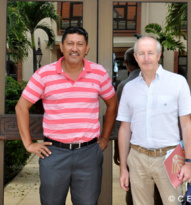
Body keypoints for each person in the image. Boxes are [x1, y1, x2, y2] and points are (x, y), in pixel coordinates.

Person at [15, 26, 118, 205]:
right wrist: (28, 144)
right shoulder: (44, 74)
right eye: (70, 43)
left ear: (87, 48)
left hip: (88, 153)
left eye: (80, 44)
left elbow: (112, 103)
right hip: (54, 153)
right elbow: (21, 107)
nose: (75, 48)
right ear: (61, 47)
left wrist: (105, 138)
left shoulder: (99, 73)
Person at [117, 37, 191, 205]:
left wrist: (188, 163)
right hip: (137, 158)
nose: (146, 58)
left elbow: (187, 124)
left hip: (169, 158)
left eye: (150, 53)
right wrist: (123, 167)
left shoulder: (177, 82)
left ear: (158, 55)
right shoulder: (129, 88)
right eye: (141, 54)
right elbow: (124, 128)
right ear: (136, 58)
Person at [113, 47, 140, 205]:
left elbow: (120, 121)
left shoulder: (124, 86)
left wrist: (118, 150)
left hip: (133, 148)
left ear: (126, 64)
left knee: (133, 189)